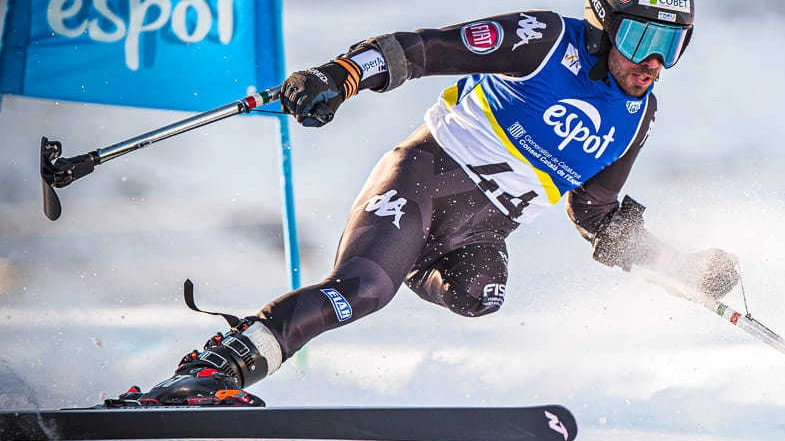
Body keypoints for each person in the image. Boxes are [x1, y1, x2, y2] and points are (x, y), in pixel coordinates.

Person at [123, 0, 739, 405]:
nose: (654, 61)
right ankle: (216, 371)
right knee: (361, 291)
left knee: (480, 297)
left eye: (671, 43)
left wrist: (680, 266)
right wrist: (343, 74)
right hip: (420, 179)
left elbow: (596, 215)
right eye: (639, 37)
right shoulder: (547, 41)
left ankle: (406, 261)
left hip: (476, 234)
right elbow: (425, 48)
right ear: (606, 25)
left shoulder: (638, 114)